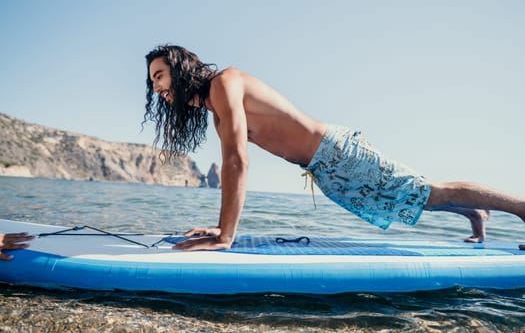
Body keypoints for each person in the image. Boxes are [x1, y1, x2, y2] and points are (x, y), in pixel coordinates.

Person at [143, 44, 525, 251]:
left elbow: (236, 161)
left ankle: (521, 208)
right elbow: (233, 162)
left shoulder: (224, 83)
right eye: (153, 81)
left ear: (181, 67)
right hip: (326, 170)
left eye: (160, 75)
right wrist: (220, 225)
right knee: (409, 201)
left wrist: (226, 235)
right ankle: (477, 213)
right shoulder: (214, 110)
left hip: (338, 153)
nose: (158, 88)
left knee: (428, 192)